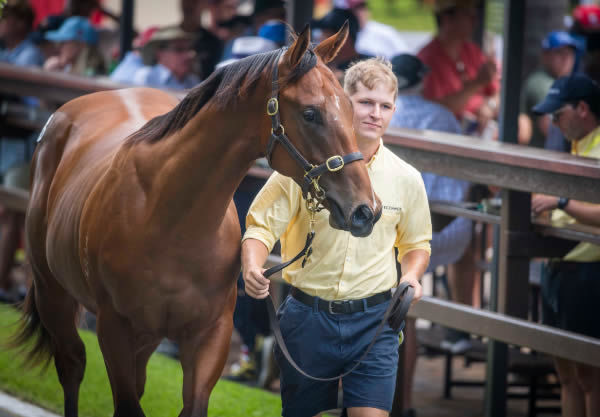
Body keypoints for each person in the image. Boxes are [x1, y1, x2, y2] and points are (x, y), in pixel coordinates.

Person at [242, 57, 431, 417]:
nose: (375, 113)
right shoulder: (304, 166)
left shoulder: (407, 178)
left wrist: (411, 275)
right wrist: (252, 265)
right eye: (365, 102)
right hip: (307, 319)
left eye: (385, 105)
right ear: (344, 103)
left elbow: (416, 244)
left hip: (374, 322)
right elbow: (260, 226)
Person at [389, 53, 472, 417]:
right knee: (398, 318)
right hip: (437, 231)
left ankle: (373, 404)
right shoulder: (441, 116)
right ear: (421, 79)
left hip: (397, 234)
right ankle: (403, 405)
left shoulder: (374, 113)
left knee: (392, 316)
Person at [531, 73, 600, 417]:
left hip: (588, 271)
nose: (553, 123)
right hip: (559, 268)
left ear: (583, 109)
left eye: (558, 115)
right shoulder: (574, 146)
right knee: (567, 376)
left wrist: (560, 203)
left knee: (590, 376)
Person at [417, 0, 499, 135]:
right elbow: (438, 109)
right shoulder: (427, 59)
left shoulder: (472, 51)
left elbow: (497, 93)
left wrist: (489, 106)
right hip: (449, 133)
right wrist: (477, 83)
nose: (474, 20)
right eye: (467, 14)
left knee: (522, 124)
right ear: (447, 18)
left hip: (482, 128)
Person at [520, 31, 583, 149]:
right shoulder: (540, 82)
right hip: (537, 159)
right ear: (545, 55)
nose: (566, 58)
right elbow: (550, 127)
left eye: (570, 53)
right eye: (560, 52)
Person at [334, 0, 410, 60]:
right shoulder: (330, 35)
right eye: (352, 10)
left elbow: (407, 62)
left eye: (362, 7)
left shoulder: (385, 33)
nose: (359, 13)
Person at [312, 7, 371, 81]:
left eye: (326, 35)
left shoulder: (371, 68)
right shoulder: (322, 66)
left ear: (344, 38)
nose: (320, 39)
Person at [133, 26, 200, 90]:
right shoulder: (146, 78)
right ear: (160, 53)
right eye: (179, 49)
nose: (189, 55)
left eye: (189, 49)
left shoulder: (192, 81)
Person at [0, 0, 44, 67]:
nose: (1, 22)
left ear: (21, 23)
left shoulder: (30, 55)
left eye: (4, 17)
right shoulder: (5, 52)